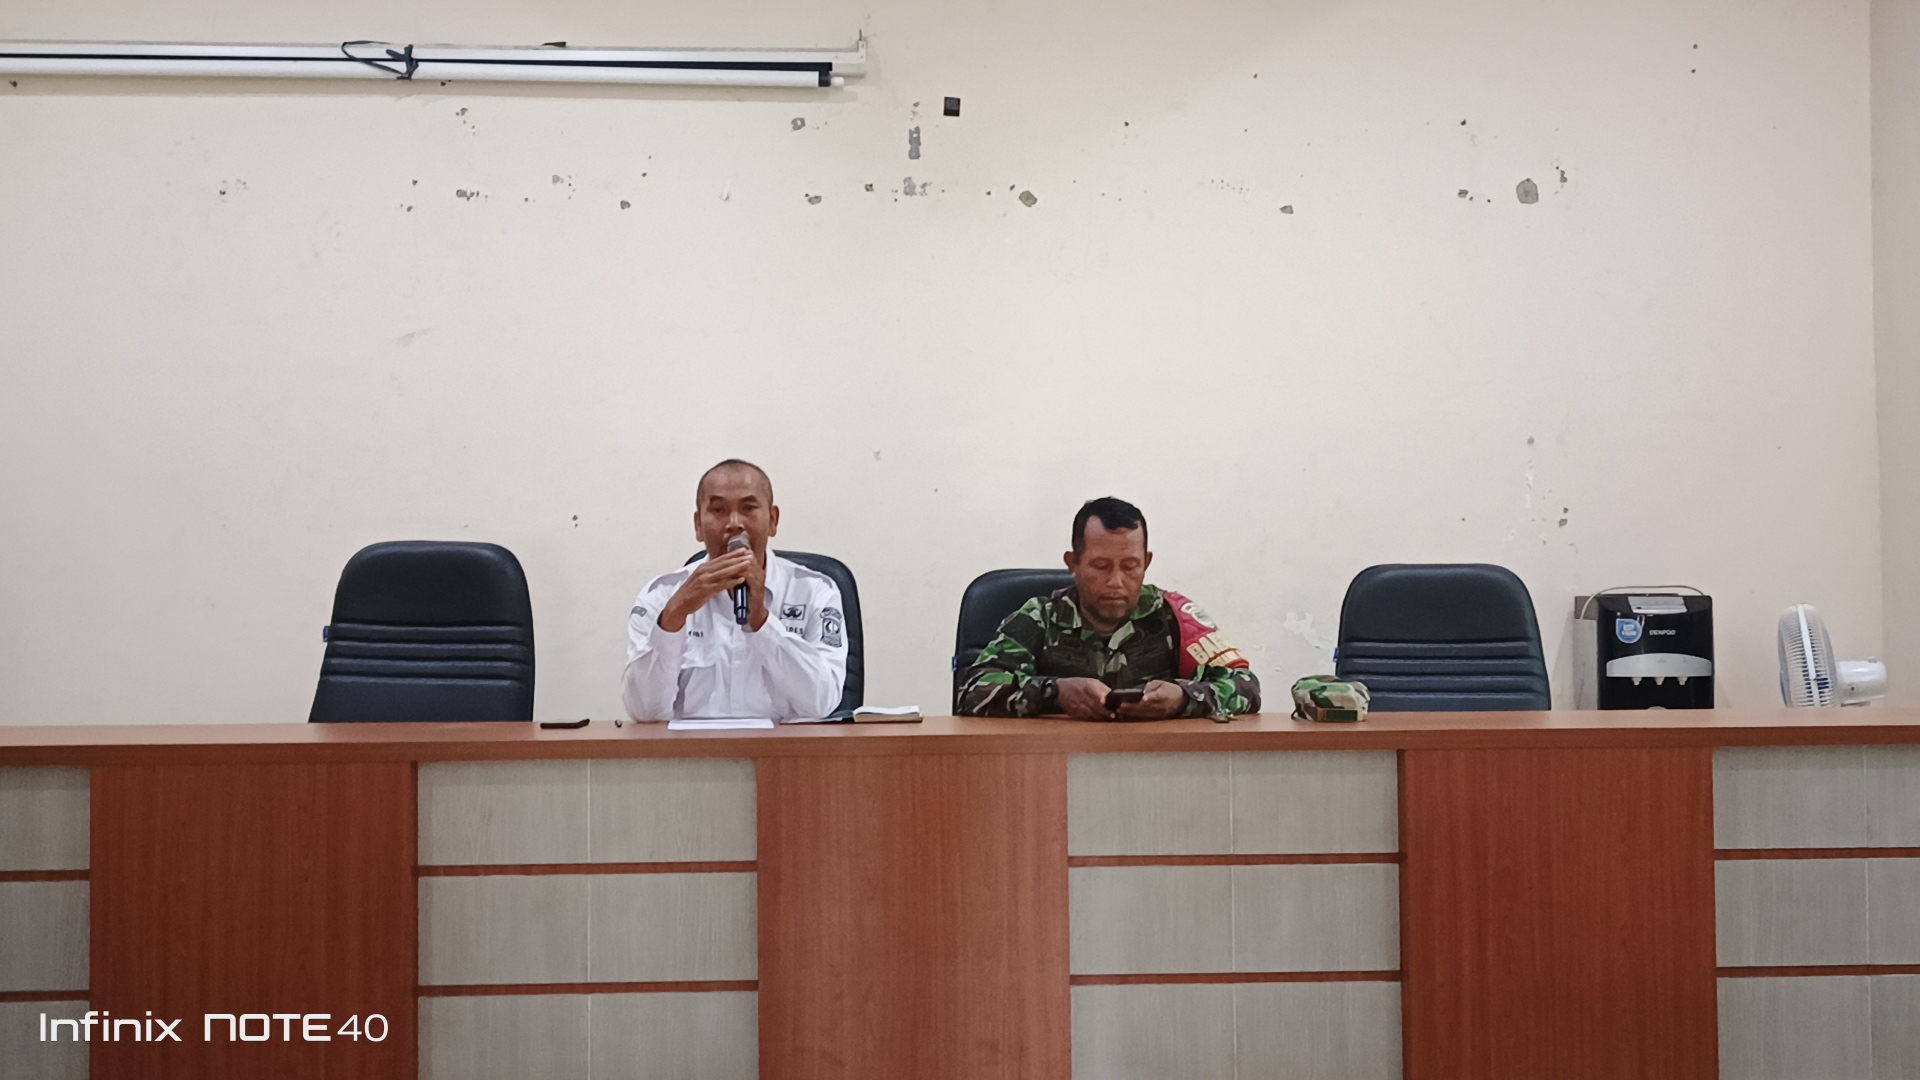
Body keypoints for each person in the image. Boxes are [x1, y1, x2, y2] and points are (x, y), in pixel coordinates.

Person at [956, 497, 1260, 720]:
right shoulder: (1040, 618)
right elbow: (971, 691)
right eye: (1101, 566)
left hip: (1152, 764)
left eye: (1130, 567)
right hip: (1054, 763)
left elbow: (1246, 687)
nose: (1116, 582)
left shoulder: (1173, 615)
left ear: (1147, 563)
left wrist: (1184, 698)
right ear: (1073, 563)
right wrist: (1054, 693)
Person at [622, 459, 847, 721]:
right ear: (698, 525)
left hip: (782, 746)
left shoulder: (815, 591)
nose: (734, 523)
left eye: (748, 508)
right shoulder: (660, 596)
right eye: (718, 510)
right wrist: (673, 618)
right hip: (693, 746)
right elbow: (644, 713)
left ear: (773, 520)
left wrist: (763, 623)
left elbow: (822, 703)